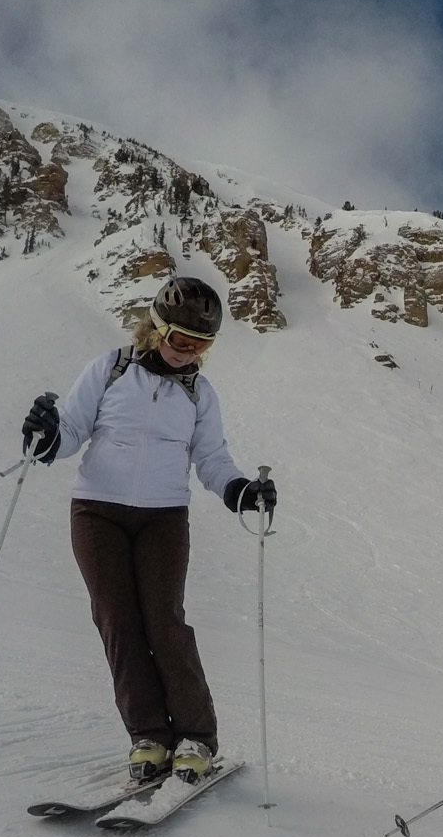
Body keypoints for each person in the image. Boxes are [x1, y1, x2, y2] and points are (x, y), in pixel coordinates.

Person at [19, 276, 276, 787]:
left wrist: (240, 490)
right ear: (155, 329)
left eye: (202, 344)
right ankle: (149, 735)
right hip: (97, 513)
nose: (189, 353)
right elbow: (71, 431)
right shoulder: (110, 371)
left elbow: (211, 458)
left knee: (164, 621)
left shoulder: (200, 394)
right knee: (117, 621)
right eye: (181, 340)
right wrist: (47, 436)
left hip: (163, 517)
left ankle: (197, 738)